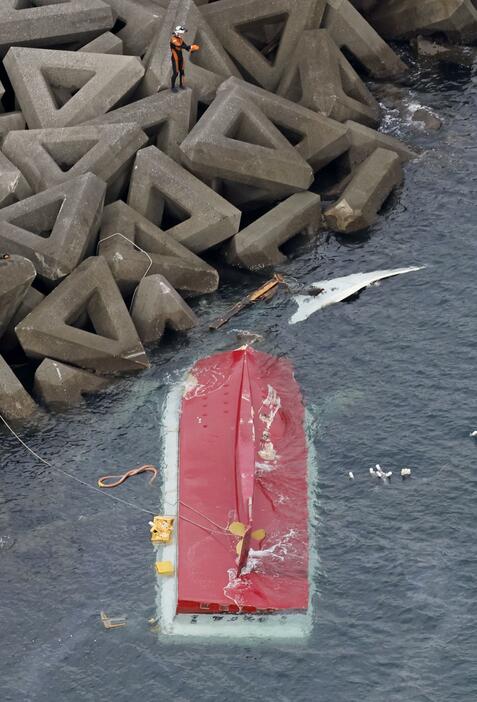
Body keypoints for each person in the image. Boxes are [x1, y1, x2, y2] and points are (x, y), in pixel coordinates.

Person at [170, 25, 200, 92]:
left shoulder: (180, 39)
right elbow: (179, 45)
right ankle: (172, 87)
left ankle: (181, 85)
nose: (181, 34)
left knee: (182, 72)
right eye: (180, 32)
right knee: (176, 73)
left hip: (181, 58)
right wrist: (191, 47)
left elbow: (185, 47)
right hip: (175, 58)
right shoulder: (173, 39)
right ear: (177, 32)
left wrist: (191, 50)